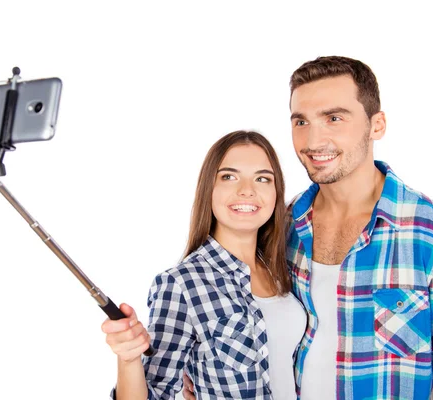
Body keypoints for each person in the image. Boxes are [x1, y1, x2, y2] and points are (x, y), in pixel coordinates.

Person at [183, 56, 433, 399]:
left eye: (334, 118)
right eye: (301, 121)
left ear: (377, 125)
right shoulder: (277, 227)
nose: (313, 140)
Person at [102, 130, 307, 399]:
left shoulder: (284, 265)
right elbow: (156, 392)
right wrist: (128, 359)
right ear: (208, 188)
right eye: (229, 177)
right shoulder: (181, 284)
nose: (247, 190)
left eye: (262, 178)